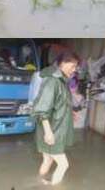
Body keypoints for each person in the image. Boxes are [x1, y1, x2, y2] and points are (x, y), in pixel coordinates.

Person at [32, 51, 79, 185]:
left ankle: (38, 183)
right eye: (73, 66)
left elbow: (58, 103)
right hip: (52, 130)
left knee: (47, 160)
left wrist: (70, 113)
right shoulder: (53, 81)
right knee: (64, 165)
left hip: (53, 129)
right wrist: (48, 133)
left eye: (76, 67)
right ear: (63, 64)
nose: (74, 70)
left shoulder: (61, 81)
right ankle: (53, 187)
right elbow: (42, 109)